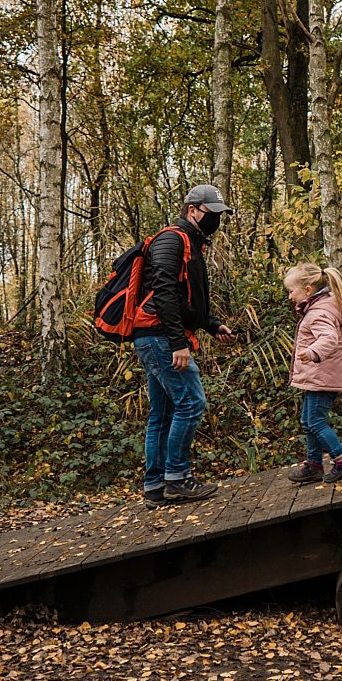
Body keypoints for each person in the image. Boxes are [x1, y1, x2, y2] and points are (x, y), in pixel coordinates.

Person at [131, 184, 235, 507]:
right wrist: (178, 343)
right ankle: (176, 479)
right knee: (191, 402)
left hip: (157, 336)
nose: (216, 220)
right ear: (192, 211)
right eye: (211, 214)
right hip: (160, 337)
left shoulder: (191, 242)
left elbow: (185, 298)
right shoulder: (172, 239)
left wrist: (211, 323)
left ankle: (155, 486)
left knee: (161, 414)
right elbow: (162, 292)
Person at [282, 262, 342, 484]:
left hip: (322, 376)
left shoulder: (319, 312)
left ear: (307, 290)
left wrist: (313, 352)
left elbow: (328, 338)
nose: (290, 297)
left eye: (291, 291)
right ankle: (314, 464)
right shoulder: (322, 306)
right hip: (319, 376)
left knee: (314, 422)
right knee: (309, 420)